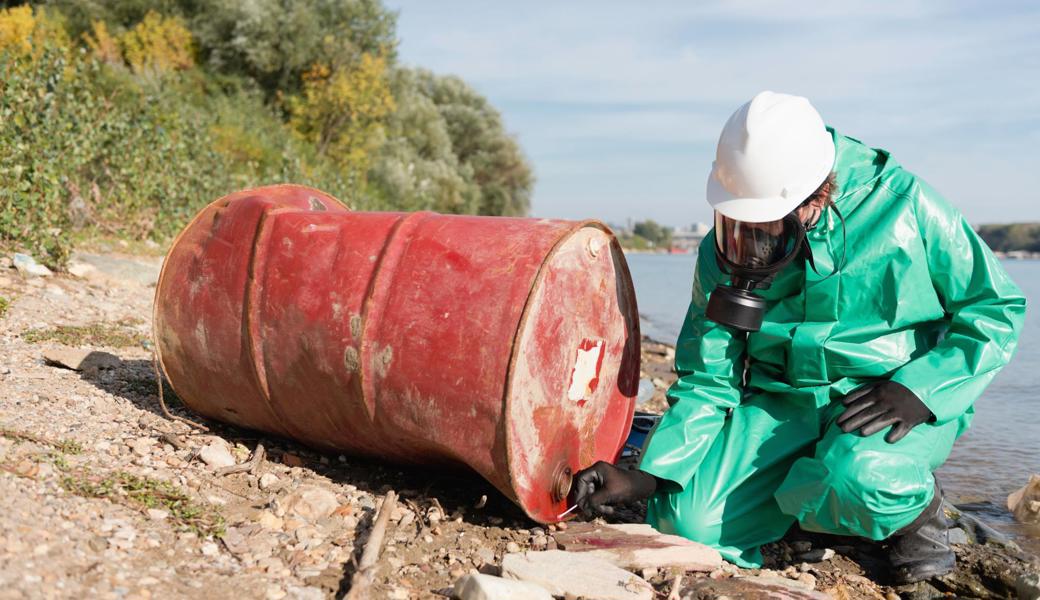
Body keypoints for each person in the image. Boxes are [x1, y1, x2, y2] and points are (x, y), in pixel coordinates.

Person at [573, 91, 1027, 584]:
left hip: (888, 401)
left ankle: (918, 512)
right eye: (740, 219)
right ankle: (821, 511)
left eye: (765, 221)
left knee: (860, 479)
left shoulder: (907, 207)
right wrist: (650, 474)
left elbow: (995, 307)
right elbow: (708, 374)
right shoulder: (723, 251)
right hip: (780, 403)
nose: (750, 235)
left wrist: (922, 389)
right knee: (686, 524)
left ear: (818, 196)